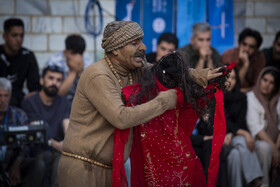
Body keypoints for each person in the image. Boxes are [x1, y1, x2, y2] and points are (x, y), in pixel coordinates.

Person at [57, 21, 223, 186]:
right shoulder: (98, 75)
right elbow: (120, 117)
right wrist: (163, 102)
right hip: (83, 169)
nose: (143, 47)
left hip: (111, 170)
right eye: (135, 43)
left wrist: (203, 76)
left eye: (142, 41)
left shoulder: (134, 69)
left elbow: (167, 74)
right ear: (115, 48)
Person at [112, 51, 230, 186]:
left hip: (171, 166)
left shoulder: (136, 96)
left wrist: (199, 76)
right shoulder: (177, 94)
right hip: (176, 164)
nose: (142, 46)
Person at [21, 65, 71, 187]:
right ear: (42, 80)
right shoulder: (29, 102)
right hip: (35, 152)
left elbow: (68, 128)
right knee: (40, 165)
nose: (54, 82)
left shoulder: (64, 102)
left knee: (63, 164)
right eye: (51, 78)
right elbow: (35, 132)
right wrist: (57, 145)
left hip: (59, 152)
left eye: (58, 80)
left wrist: (67, 142)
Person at [0, 78, 45, 187]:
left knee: (38, 166)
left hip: (15, 160)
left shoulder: (19, 115)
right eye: (0, 96)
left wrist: (16, 164)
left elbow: (26, 145)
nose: (3, 100)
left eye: (6, 96)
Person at [224, 68, 263, 187]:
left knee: (234, 156)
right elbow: (221, 120)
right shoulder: (214, 96)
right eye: (227, 77)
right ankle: (257, 180)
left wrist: (232, 132)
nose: (230, 81)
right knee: (243, 140)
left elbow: (241, 122)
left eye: (233, 78)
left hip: (234, 137)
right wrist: (243, 133)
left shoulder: (241, 98)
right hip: (218, 137)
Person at [246, 67, 280, 187]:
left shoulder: (277, 100)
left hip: (276, 142)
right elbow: (256, 128)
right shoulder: (251, 97)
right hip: (257, 141)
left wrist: (277, 147)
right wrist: (274, 148)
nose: (267, 84)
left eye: (271, 83)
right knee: (265, 148)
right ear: (260, 80)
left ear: (275, 87)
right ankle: (264, 184)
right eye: (265, 80)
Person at [0, 18, 41, 107]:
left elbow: (35, 87)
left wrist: (26, 99)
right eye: (14, 35)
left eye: (21, 36)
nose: (19, 39)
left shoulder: (27, 56)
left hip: (19, 103)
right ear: (5, 36)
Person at [45, 34, 91, 102]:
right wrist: (73, 71)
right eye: (73, 53)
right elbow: (57, 95)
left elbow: (89, 93)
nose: (77, 58)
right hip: (56, 104)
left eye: (80, 53)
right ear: (65, 52)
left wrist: (80, 72)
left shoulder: (87, 62)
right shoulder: (54, 61)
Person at [222, 28, 266, 93]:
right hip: (229, 93)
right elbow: (230, 85)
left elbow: (258, 85)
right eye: (244, 44)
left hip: (251, 94)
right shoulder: (228, 55)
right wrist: (245, 65)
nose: (247, 49)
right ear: (239, 43)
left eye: (251, 46)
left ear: (256, 49)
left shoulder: (259, 58)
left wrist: (244, 91)